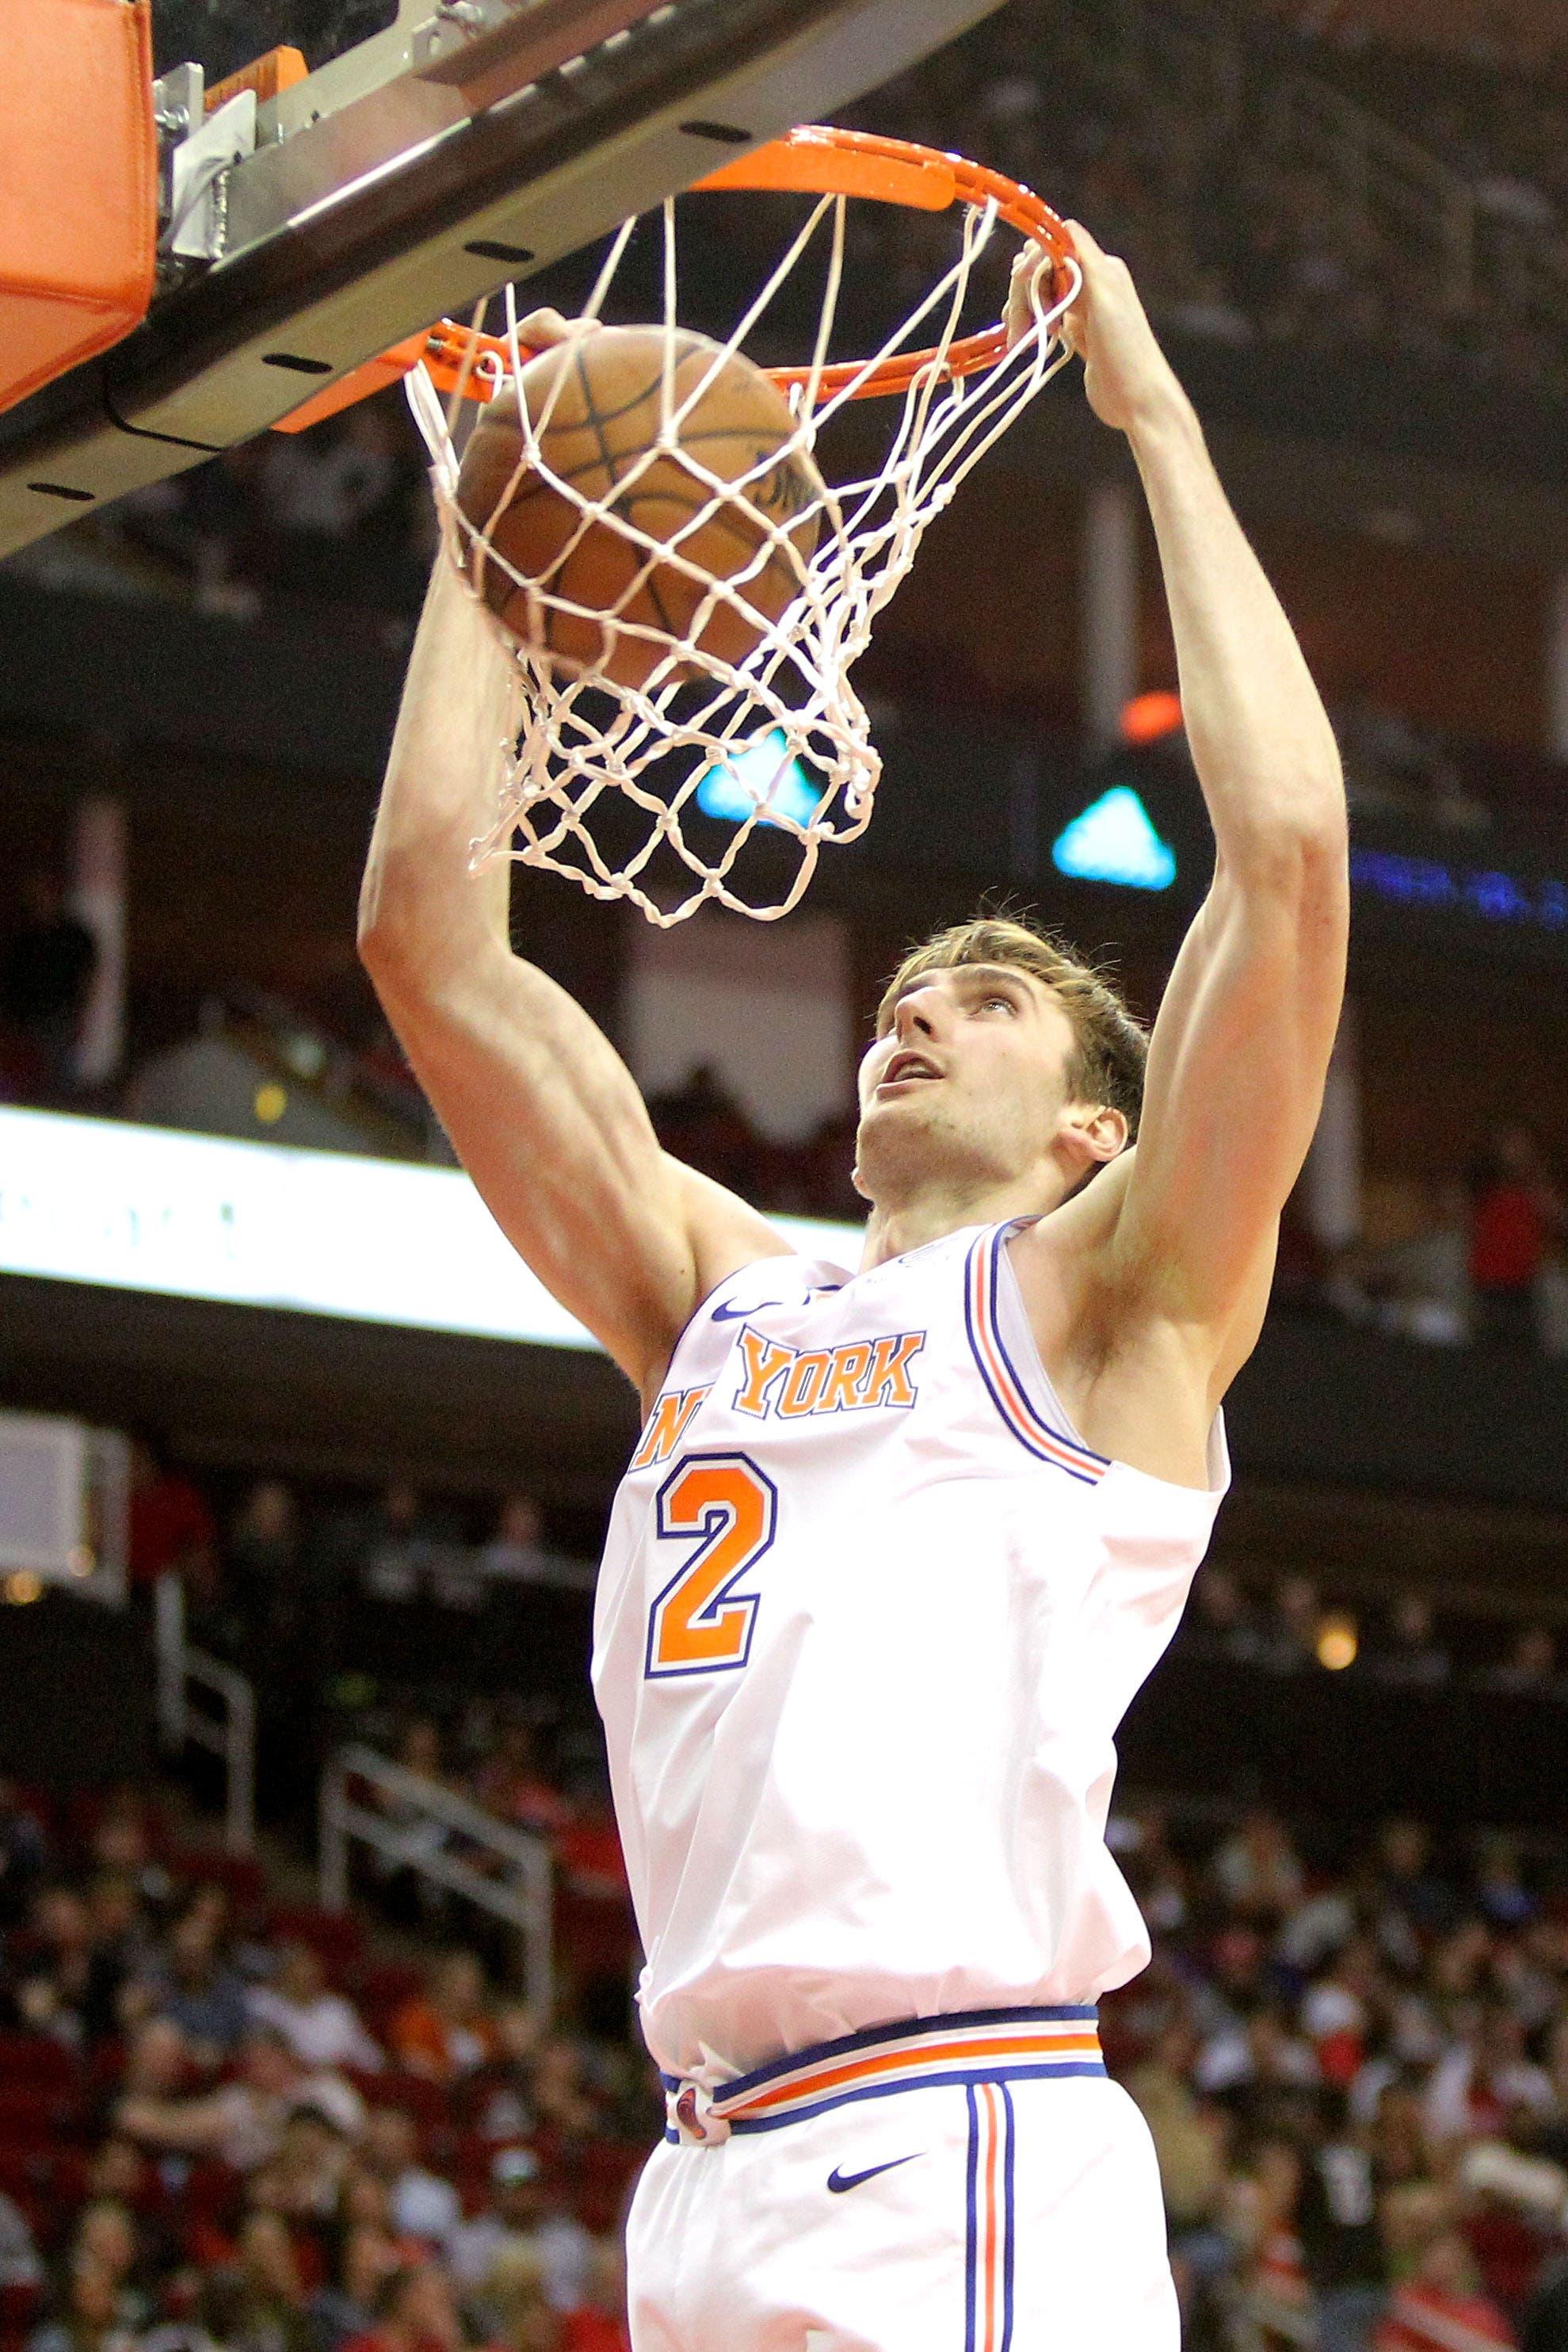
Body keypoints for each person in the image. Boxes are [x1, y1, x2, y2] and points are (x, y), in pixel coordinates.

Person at [358, 225, 1348, 2350]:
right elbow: (427, 955)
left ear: (1097, 1126)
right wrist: (497, 518)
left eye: (984, 1001)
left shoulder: (1112, 1303)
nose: (918, 1010)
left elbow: (1285, 872)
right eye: (904, 990)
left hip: (954, 2145)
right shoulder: (714, 1300)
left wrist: (1157, 421)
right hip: (705, 2171)